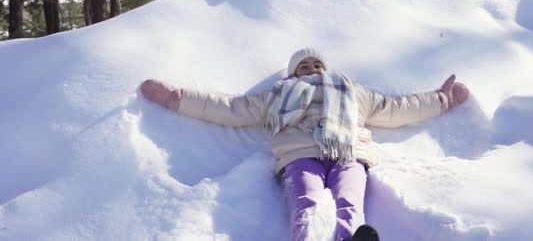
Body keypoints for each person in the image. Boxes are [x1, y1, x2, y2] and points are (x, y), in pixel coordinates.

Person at [140, 47, 469, 241]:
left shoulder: (353, 92)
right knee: (307, 201)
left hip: (347, 153)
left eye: (316, 64)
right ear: (292, 73)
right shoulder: (277, 95)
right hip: (298, 156)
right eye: (303, 66)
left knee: (349, 202)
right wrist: (177, 99)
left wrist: (440, 100)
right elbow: (231, 109)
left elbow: (396, 109)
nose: (311, 69)